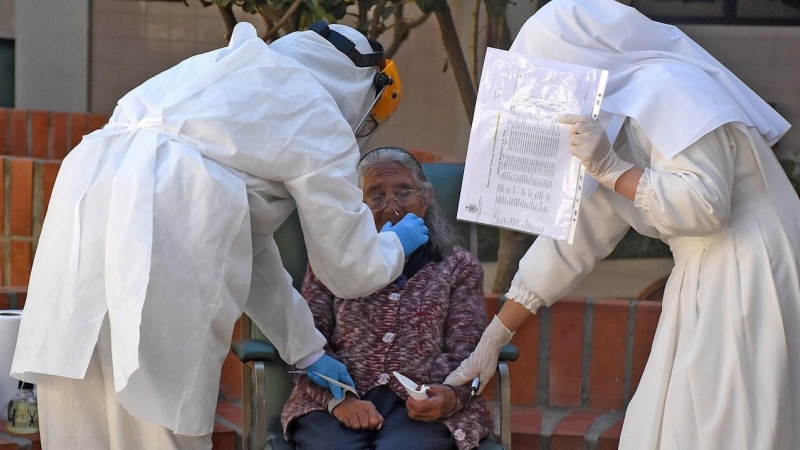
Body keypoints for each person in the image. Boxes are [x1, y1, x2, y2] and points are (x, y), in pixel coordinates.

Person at [10, 21, 429, 449]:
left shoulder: (218, 72)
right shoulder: (316, 110)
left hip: (82, 207)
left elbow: (242, 245)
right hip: (165, 229)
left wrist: (306, 350)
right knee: (160, 424)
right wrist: (397, 242)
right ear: (357, 84)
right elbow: (349, 268)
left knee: (83, 416)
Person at [446, 0, 800, 449]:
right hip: (712, 271)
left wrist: (612, 169)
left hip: (752, 269)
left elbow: (706, 205)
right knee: (674, 425)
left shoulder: (672, 88)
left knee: (728, 427)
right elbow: (575, 239)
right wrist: (496, 334)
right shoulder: (612, 122)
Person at [282, 147, 494, 450]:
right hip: (336, 399)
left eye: (404, 192)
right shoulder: (331, 264)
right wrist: (339, 400)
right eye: (376, 196)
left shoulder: (458, 268)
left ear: (426, 196)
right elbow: (305, 338)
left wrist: (448, 396)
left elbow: (468, 349)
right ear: (357, 204)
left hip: (422, 403)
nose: (392, 207)